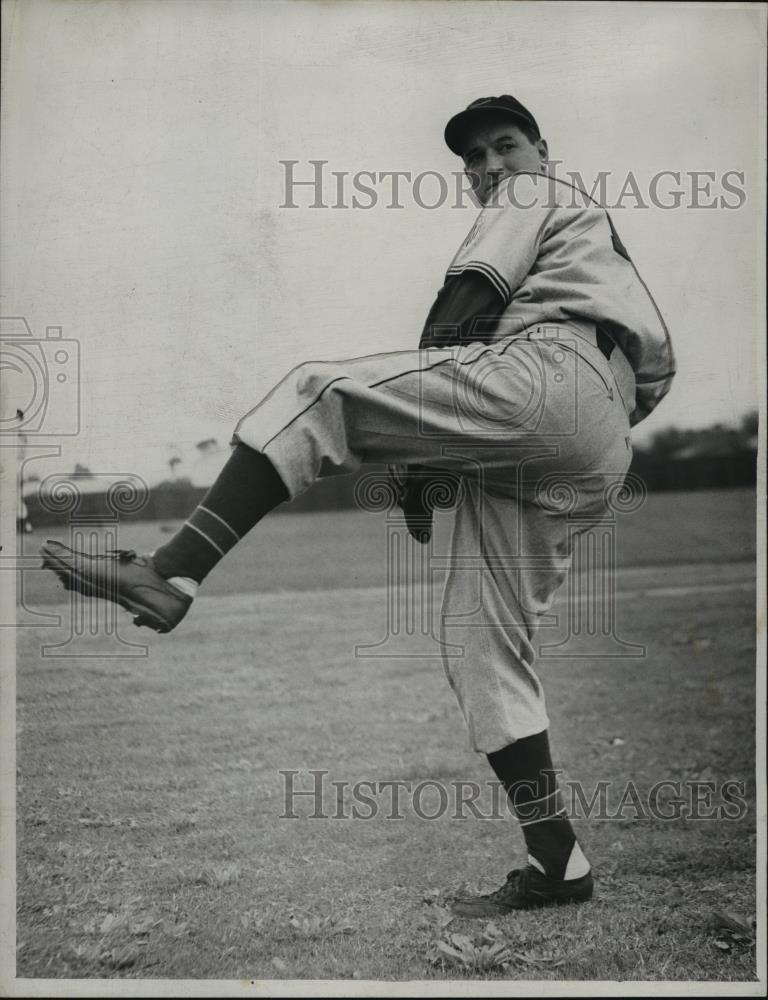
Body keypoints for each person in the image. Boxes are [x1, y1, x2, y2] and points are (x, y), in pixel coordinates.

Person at [41, 95, 675, 916]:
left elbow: (465, 302)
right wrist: (560, 436)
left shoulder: (533, 191)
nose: (489, 168)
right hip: (594, 442)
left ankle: (176, 569)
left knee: (320, 393)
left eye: (504, 146)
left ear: (544, 151)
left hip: (548, 381)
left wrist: (419, 452)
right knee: (484, 644)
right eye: (473, 160)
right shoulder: (612, 258)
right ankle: (560, 865)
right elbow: (653, 381)